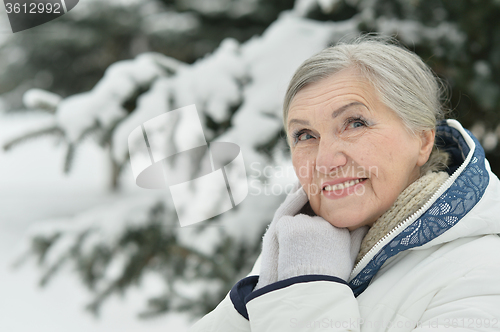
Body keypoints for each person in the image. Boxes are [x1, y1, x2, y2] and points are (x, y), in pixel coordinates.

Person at [189, 36, 500, 331]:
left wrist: (307, 288)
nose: (325, 161)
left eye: (355, 123)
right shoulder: (300, 247)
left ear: (422, 139)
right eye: (305, 135)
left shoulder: (483, 275)